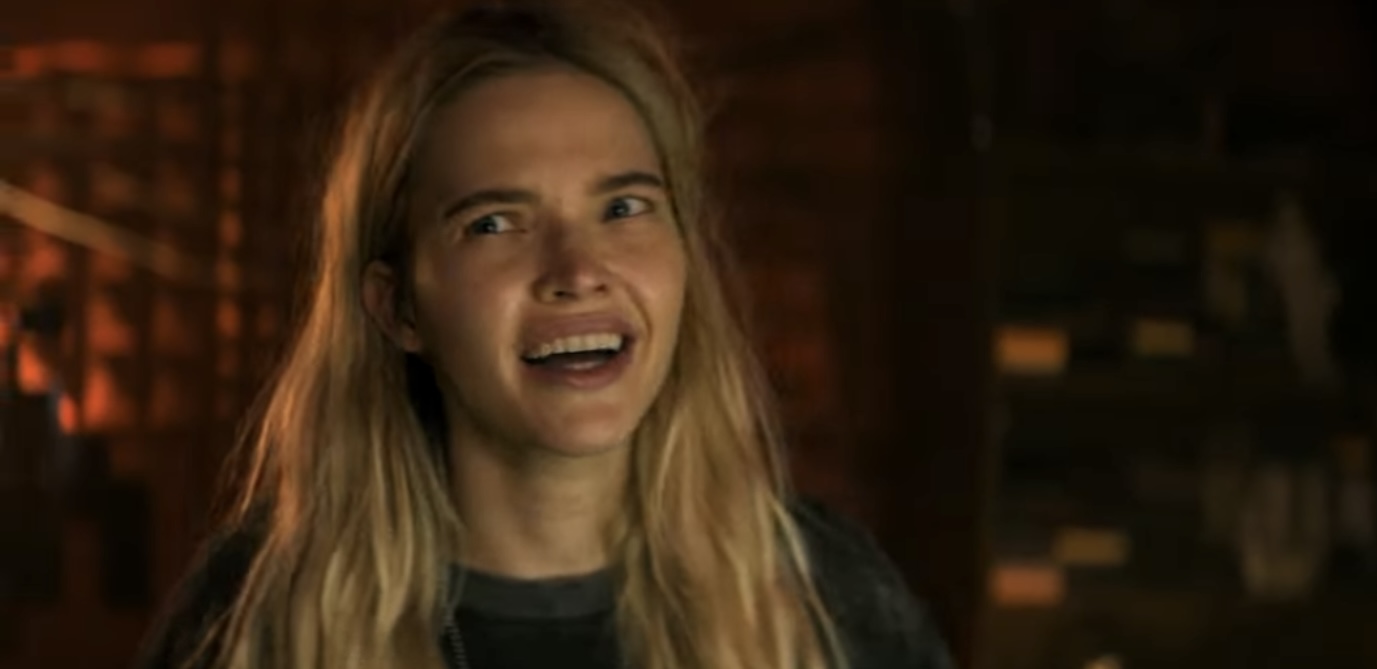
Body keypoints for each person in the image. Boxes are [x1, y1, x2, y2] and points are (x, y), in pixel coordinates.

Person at [132, 2, 955, 668]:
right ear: (398, 308)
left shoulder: (822, 591)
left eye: (624, 208)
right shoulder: (261, 611)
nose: (578, 269)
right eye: (495, 223)